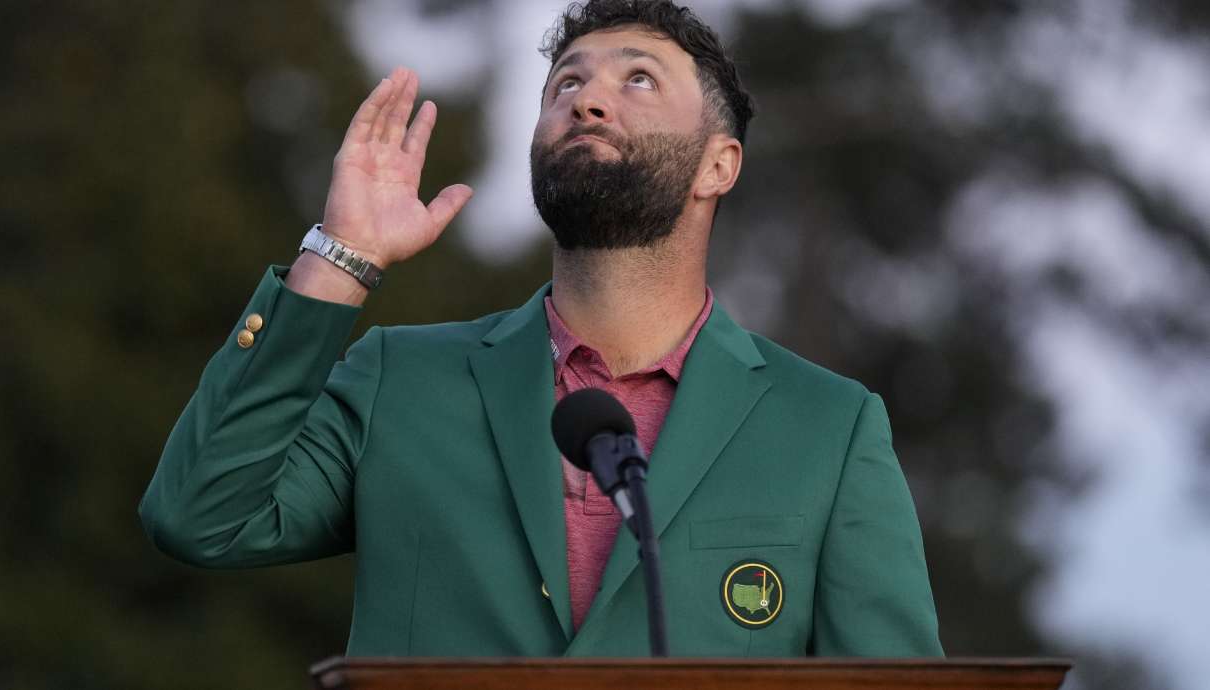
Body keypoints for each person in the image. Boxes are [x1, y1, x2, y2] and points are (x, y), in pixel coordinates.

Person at [140, 0, 942, 657]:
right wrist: (340, 257)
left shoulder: (827, 430)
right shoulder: (401, 379)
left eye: (638, 80)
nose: (586, 100)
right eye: (566, 82)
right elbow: (202, 515)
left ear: (718, 166)